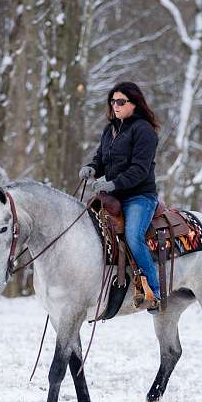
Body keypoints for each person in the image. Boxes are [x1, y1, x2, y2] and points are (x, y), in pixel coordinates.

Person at [79, 82, 161, 314]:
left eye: (121, 101)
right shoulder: (110, 129)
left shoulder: (144, 130)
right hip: (111, 196)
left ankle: (155, 292)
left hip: (139, 197)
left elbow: (139, 169)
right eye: (112, 101)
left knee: (134, 237)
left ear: (134, 104)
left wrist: (113, 183)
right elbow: (101, 160)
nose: (115, 105)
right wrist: (92, 169)